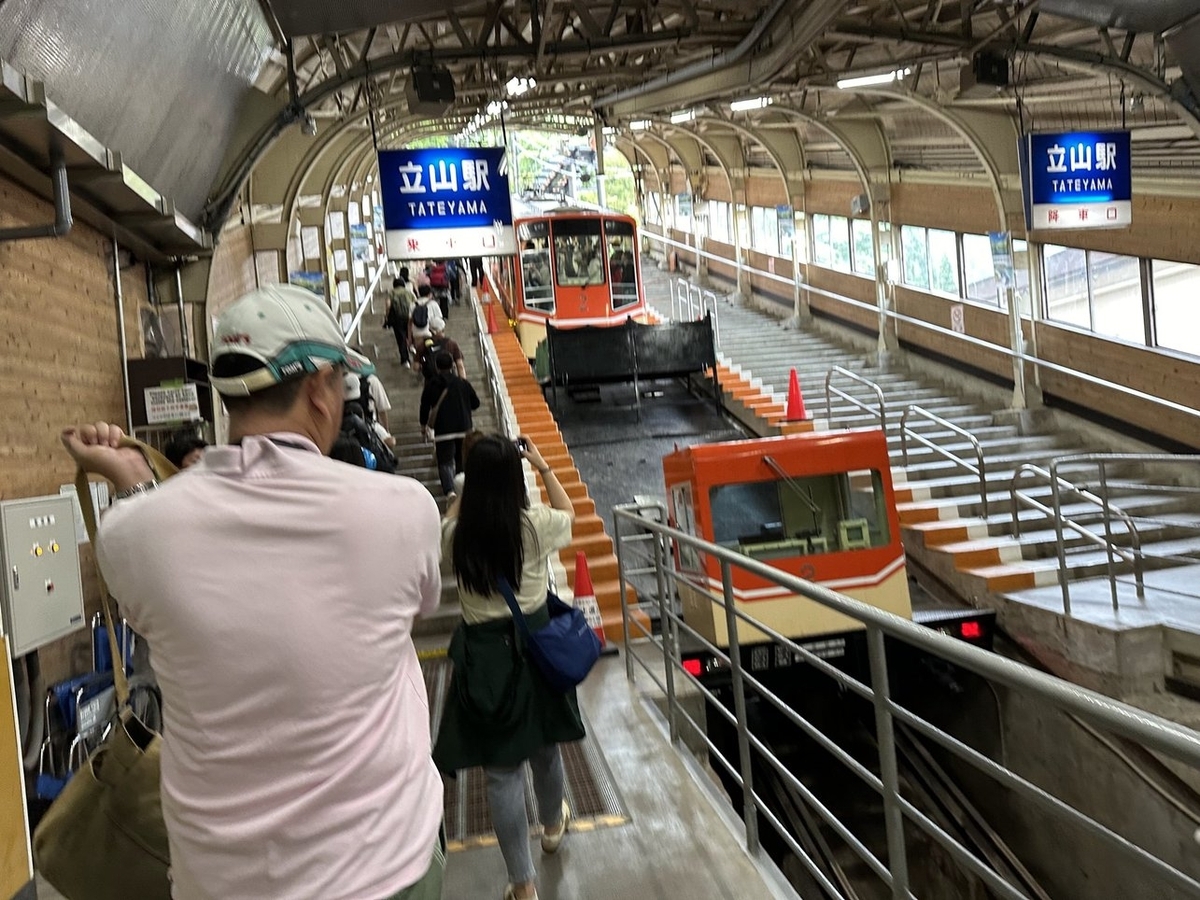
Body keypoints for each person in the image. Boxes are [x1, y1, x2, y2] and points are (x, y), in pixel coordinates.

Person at [60, 284, 445, 900]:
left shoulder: (133, 534)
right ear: (319, 390)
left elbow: (161, 568)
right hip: (384, 867)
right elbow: (414, 604)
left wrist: (137, 487)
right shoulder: (404, 513)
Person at [433, 434, 582, 900]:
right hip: (535, 649)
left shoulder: (456, 538)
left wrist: (461, 491)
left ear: (473, 483)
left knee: (501, 775)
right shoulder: (534, 526)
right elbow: (570, 517)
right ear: (515, 478)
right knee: (546, 749)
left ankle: (522, 885)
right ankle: (553, 826)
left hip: (485, 660)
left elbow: (445, 528)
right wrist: (542, 466)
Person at [419, 352, 480, 496]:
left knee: (445, 462)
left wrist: (423, 425)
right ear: (453, 365)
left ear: (437, 366)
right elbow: (476, 403)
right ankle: (463, 489)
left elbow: (424, 406)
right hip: (464, 428)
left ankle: (450, 493)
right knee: (462, 459)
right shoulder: (463, 383)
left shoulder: (431, 384)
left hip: (443, 431)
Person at [385, 272, 415, 365]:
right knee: (410, 334)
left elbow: (388, 305)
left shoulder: (392, 293)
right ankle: (413, 347)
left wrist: (387, 316)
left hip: (397, 319)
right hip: (409, 317)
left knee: (401, 338)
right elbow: (415, 302)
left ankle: (405, 360)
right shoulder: (409, 292)